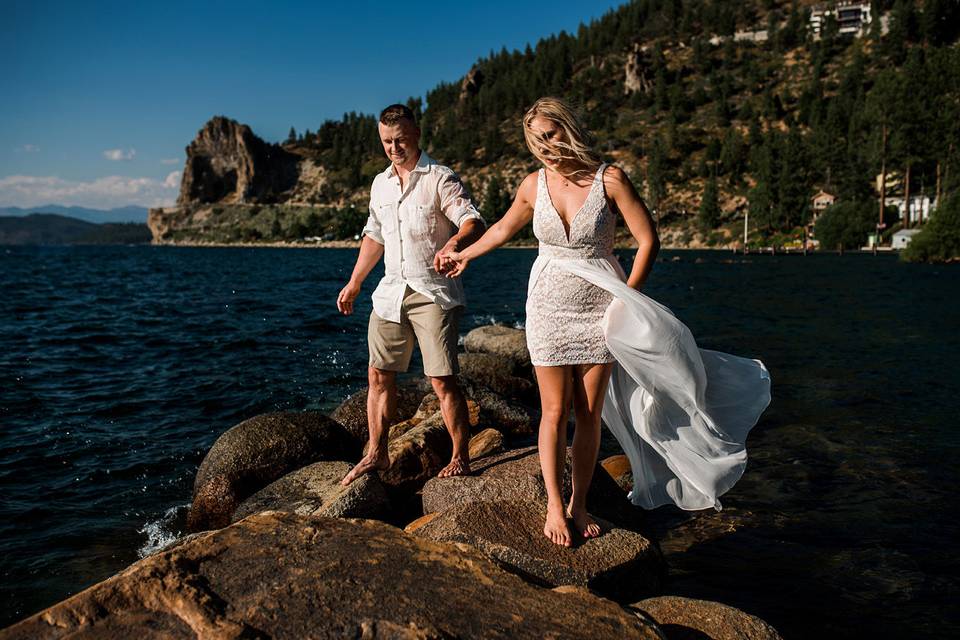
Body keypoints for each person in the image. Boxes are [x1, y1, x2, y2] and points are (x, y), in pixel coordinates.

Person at [439, 97, 771, 547]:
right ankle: (555, 506)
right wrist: (463, 255)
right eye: (536, 139)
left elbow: (648, 238)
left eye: (551, 134)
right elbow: (500, 229)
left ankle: (579, 503)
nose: (545, 146)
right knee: (554, 411)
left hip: (602, 307)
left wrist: (628, 298)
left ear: (569, 127)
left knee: (589, 413)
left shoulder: (609, 179)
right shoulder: (533, 185)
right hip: (548, 307)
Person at [338, 103, 485, 486]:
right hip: (389, 293)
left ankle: (460, 457)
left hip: (432, 293)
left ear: (416, 134)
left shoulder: (440, 177)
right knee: (378, 375)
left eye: (400, 139)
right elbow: (374, 235)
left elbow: (471, 219)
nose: (393, 147)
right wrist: (355, 282)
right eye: (387, 141)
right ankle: (376, 453)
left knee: (441, 380)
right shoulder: (379, 183)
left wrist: (455, 241)